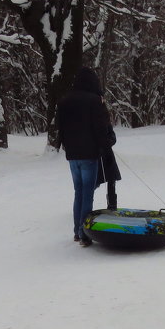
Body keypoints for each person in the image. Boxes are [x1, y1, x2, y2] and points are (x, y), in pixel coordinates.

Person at [56, 66, 115, 246]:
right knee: (87, 193)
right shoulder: (94, 101)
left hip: (72, 155)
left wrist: (68, 146)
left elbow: (60, 128)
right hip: (89, 153)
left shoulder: (64, 101)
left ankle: (77, 231)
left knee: (79, 192)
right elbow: (100, 127)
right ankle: (84, 233)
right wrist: (107, 142)